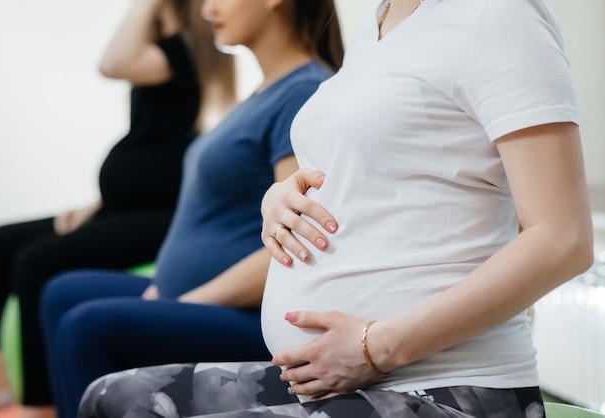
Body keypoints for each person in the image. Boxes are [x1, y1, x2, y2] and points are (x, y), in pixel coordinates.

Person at [76, 0, 595, 417]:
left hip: (450, 388)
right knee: (110, 400)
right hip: (332, 376)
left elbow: (563, 240)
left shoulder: (497, 15)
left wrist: (376, 347)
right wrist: (279, 199)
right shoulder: (379, 25)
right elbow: (378, 171)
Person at [40, 0, 344, 417]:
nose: (206, 9)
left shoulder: (302, 91)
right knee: (61, 292)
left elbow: (297, 240)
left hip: (243, 313)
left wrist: (185, 302)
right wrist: (165, 287)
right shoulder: (266, 91)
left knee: (87, 325)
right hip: (191, 294)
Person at [0, 0, 236, 417]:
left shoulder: (182, 52)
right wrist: (98, 204)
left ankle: (38, 405)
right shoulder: (164, 47)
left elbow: (112, 63)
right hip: (124, 205)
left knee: (34, 261)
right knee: (2, 240)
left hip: (159, 216)